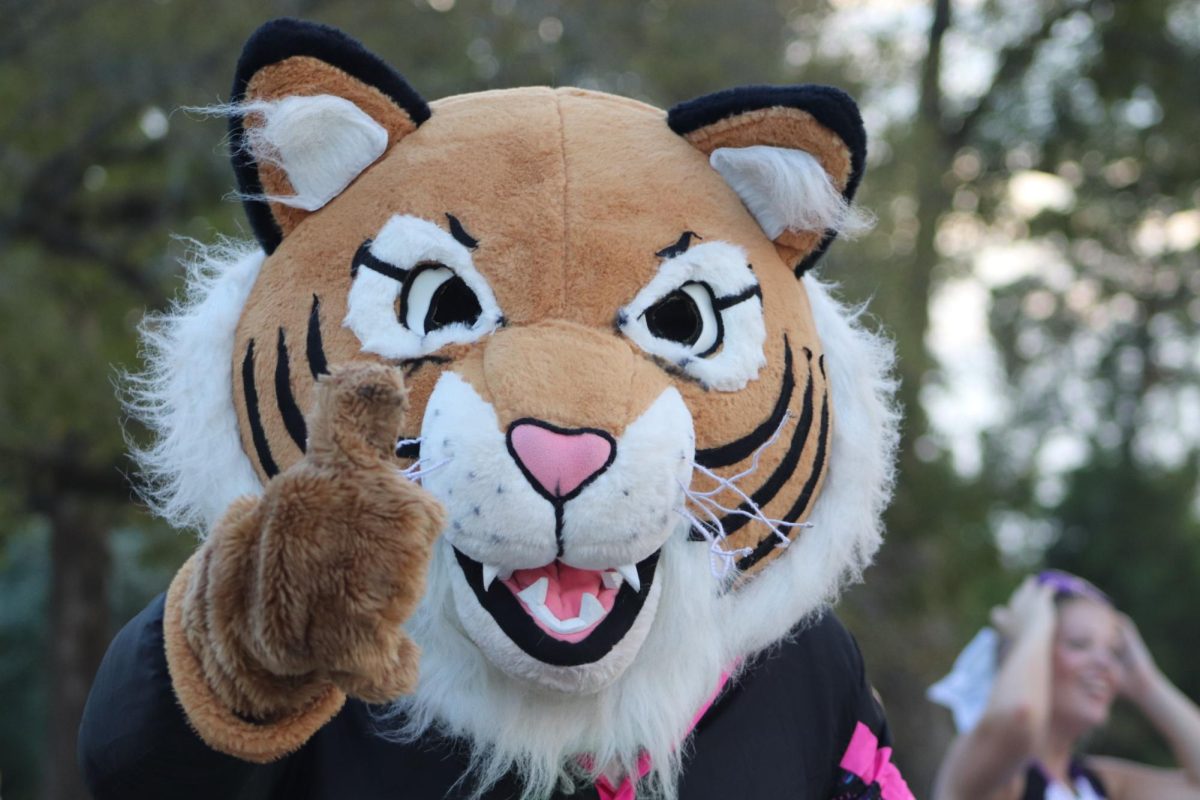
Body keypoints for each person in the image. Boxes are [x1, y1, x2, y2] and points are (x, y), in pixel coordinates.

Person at [930, 571, 1200, 800]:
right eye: (1079, 644)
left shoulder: (1099, 783)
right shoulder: (994, 773)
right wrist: (1036, 624)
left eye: (1115, 652)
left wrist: (1146, 683)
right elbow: (1018, 714)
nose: (1105, 664)